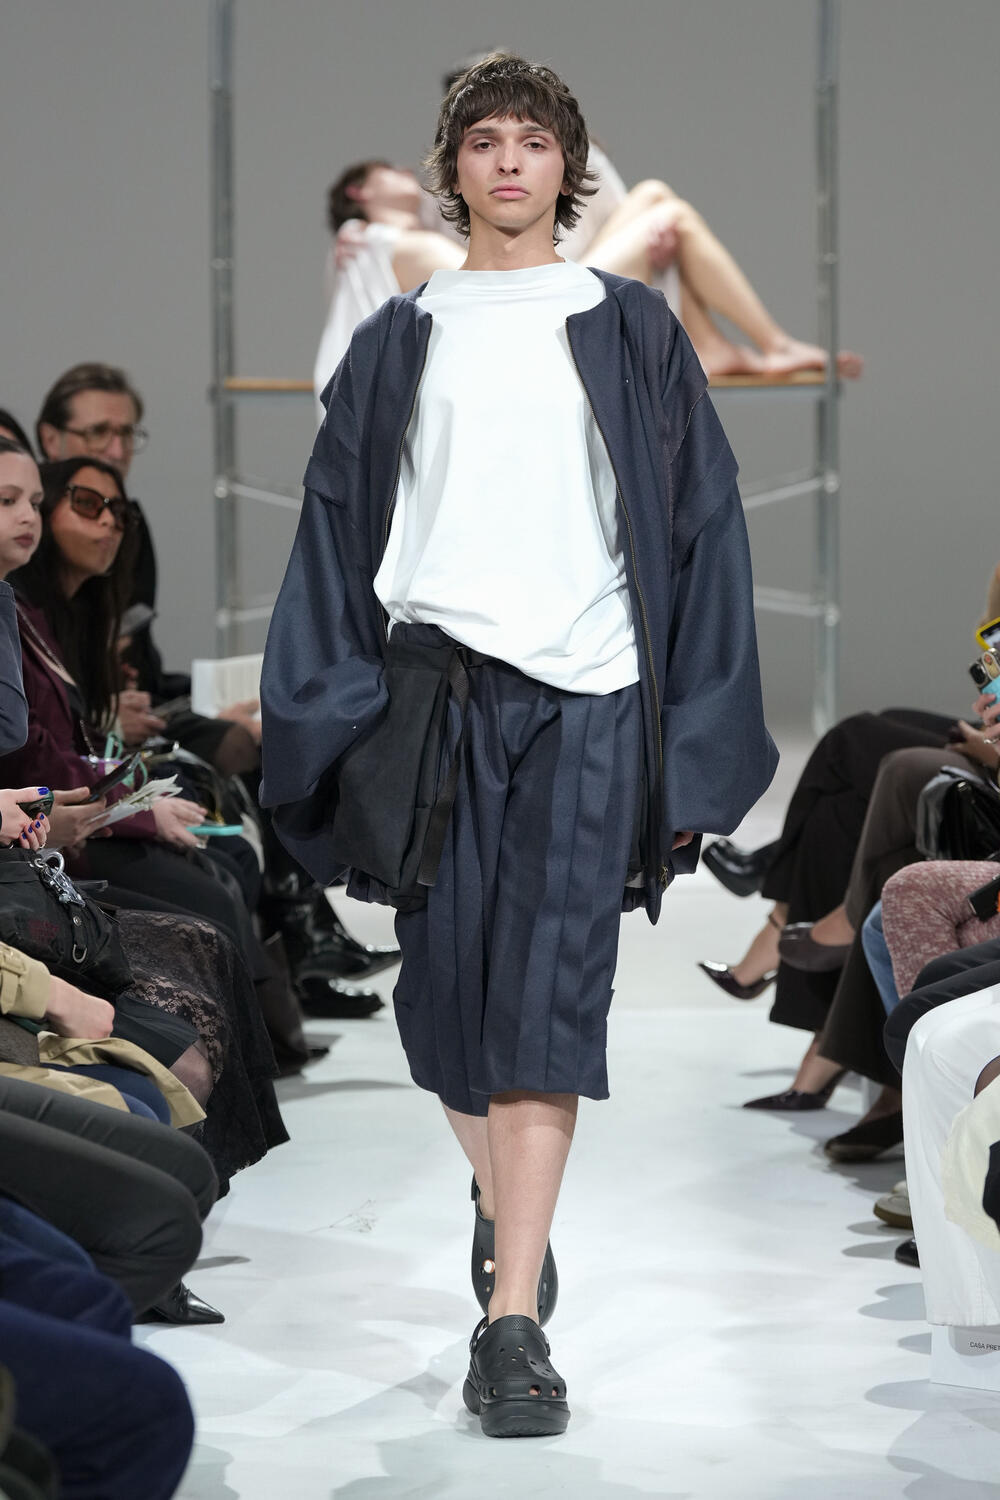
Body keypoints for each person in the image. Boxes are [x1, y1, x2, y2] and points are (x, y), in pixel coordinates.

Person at [263, 51, 776, 1437]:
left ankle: (512, 1324)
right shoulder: (402, 338)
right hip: (433, 696)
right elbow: (333, 536)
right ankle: (508, 1208)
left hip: (590, 690)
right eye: (484, 140)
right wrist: (325, 718)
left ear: (569, 166)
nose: (508, 162)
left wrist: (696, 744)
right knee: (443, 1005)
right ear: (453, 166)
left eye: (533, 141)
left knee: (550, 997)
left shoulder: (629, 326)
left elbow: (703, 527)